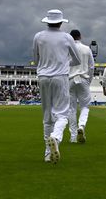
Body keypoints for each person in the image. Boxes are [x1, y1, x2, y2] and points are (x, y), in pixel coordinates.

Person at [33, 9, 80, 164]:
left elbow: (36, 59)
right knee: (62, 115)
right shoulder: (67, 37)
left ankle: (47, 154)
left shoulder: (38, 36)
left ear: (47, 21)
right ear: (61, 22)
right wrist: (64, 63)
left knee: (47, 117)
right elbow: (77, 60)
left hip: (43, 77)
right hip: (60, 77)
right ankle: (56, 137)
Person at [67, 29, 95, 144]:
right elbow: (92, 67)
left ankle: (73, 136)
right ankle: (81, 126)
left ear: (70, 37)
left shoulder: (67, 48)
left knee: (71, 109)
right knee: (85, 106)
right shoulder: (87, 49)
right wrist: (89, 80)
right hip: (83, 78)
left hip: (70, 79)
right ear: (80, 36)